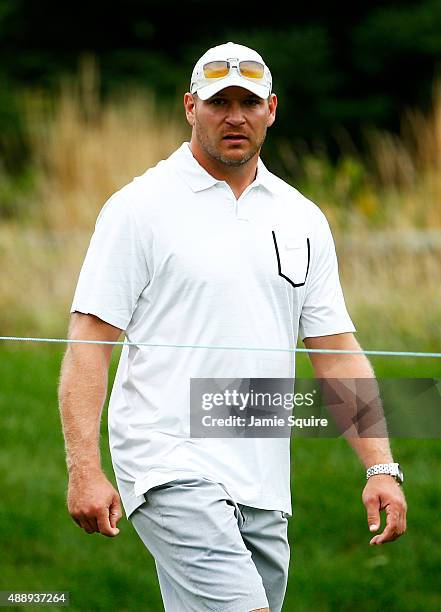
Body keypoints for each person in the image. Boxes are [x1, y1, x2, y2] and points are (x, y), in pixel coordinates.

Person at [58, 41, 407, 612]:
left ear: (273, 109)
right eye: (221, 102)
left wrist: (381, 467)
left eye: (249, 102)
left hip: (264, 483)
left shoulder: (302, 218)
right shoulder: (138, 208)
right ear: (191, 107)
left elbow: (336, 352)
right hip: (167, 463)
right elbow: (89, 343)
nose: (235, 116)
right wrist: (85, 469)